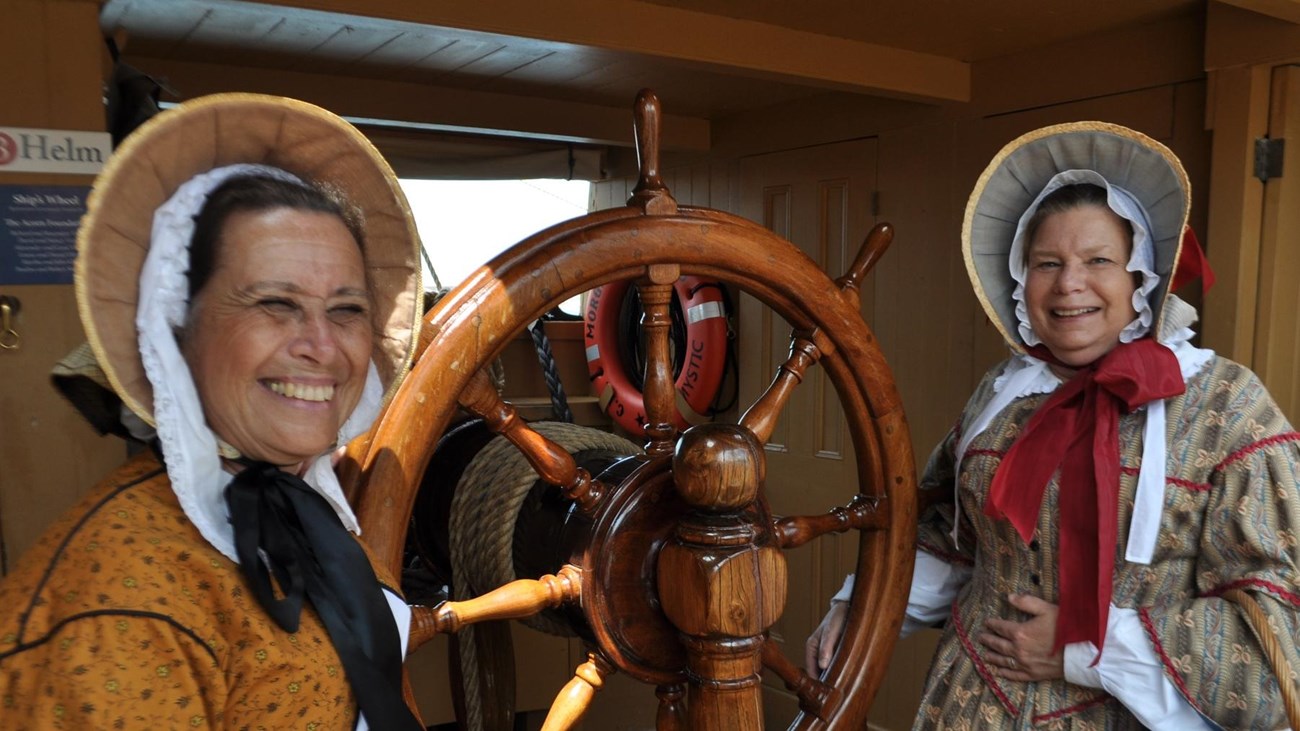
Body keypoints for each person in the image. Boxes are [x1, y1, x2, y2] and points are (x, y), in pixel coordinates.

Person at [807, 121, 1300, 729]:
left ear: (1140, 277)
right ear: (1023, 280)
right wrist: (857, 611)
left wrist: (1086, 649)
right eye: (1047, 263)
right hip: (972, 703)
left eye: (1098, 260)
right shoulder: (1004, 390)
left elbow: (1274, 618)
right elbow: (945, 533)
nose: (1069, 284)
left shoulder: (1226, 402)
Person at [0, 93, 426, 730]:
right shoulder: (115, 606)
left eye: (346, 309)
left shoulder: (305, 511)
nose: (322, 346)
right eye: (275, 302)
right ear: (177, 333)